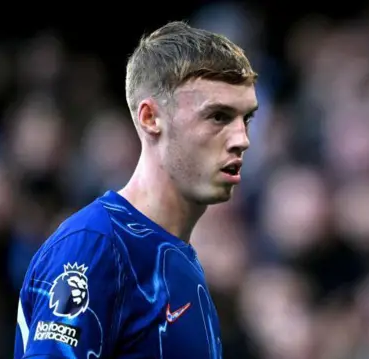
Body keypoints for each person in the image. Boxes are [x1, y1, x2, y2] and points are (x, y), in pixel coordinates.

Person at [14, 21, 258, 358]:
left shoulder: (184, 265)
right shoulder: (95, 245)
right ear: (150, 118)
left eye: (246, 119)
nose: (242, 139)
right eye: (218, 117)